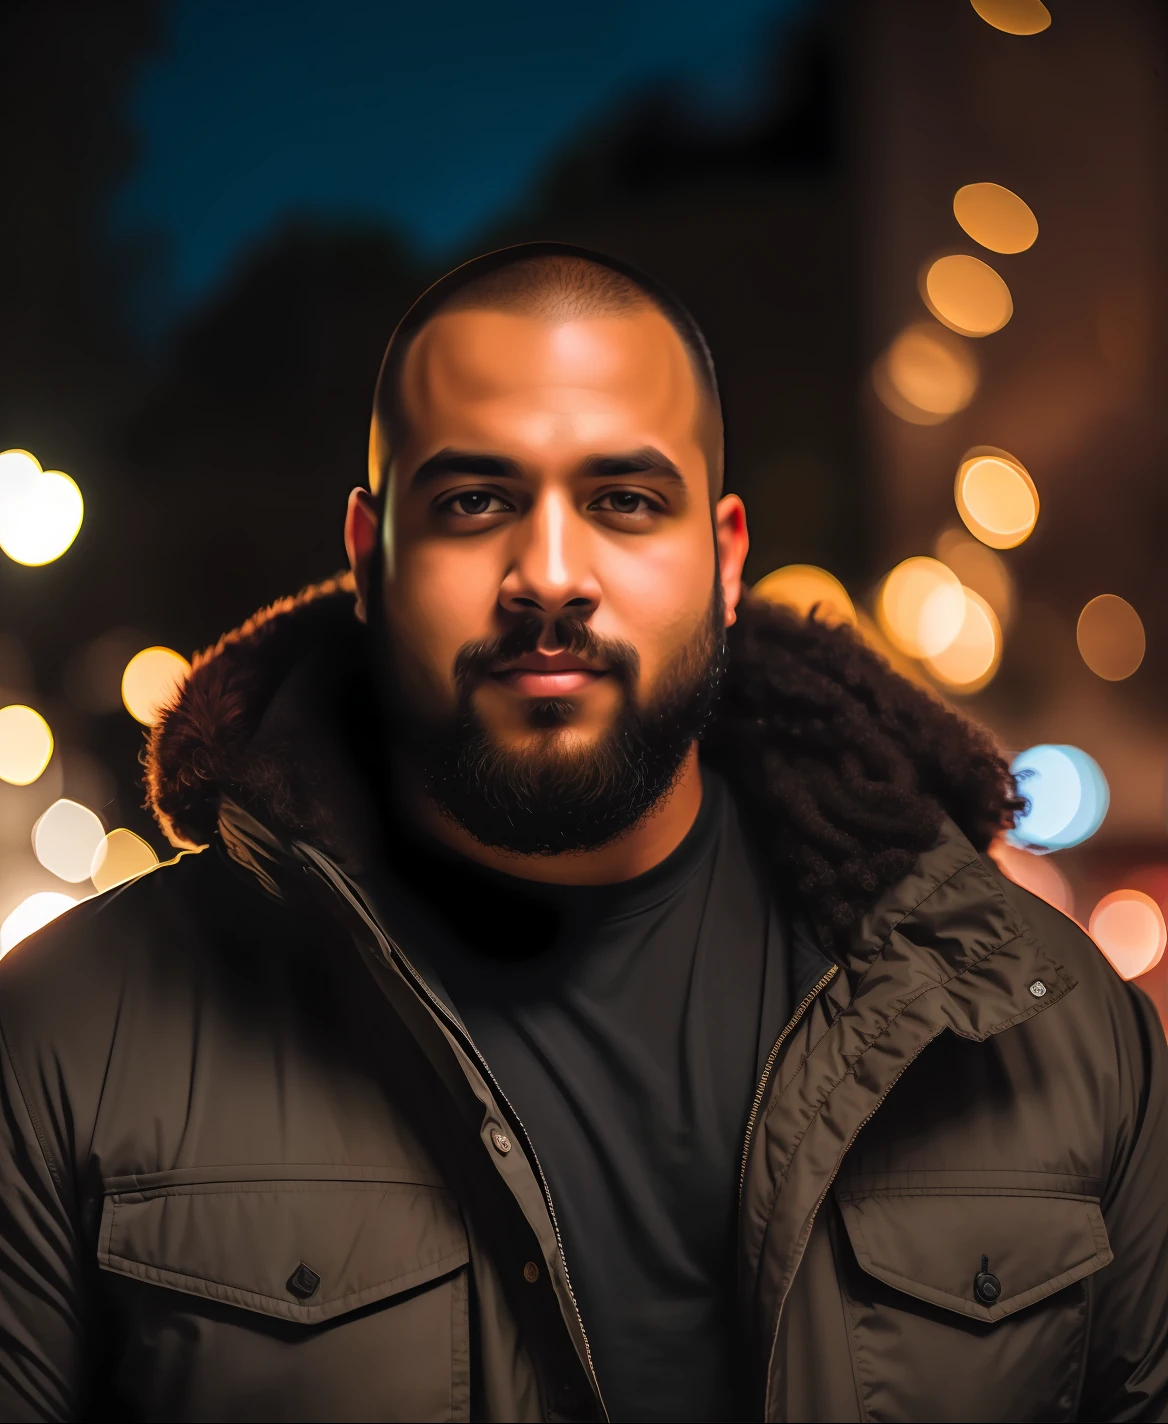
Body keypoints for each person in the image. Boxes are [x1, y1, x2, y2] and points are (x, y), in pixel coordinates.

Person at [0, 242, 1164, 1424]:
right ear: (368, 557)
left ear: (723, 560)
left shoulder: (1054, 1028)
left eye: (623, 500)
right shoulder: (73, 1031)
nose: (549, 575)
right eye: (473, 501)